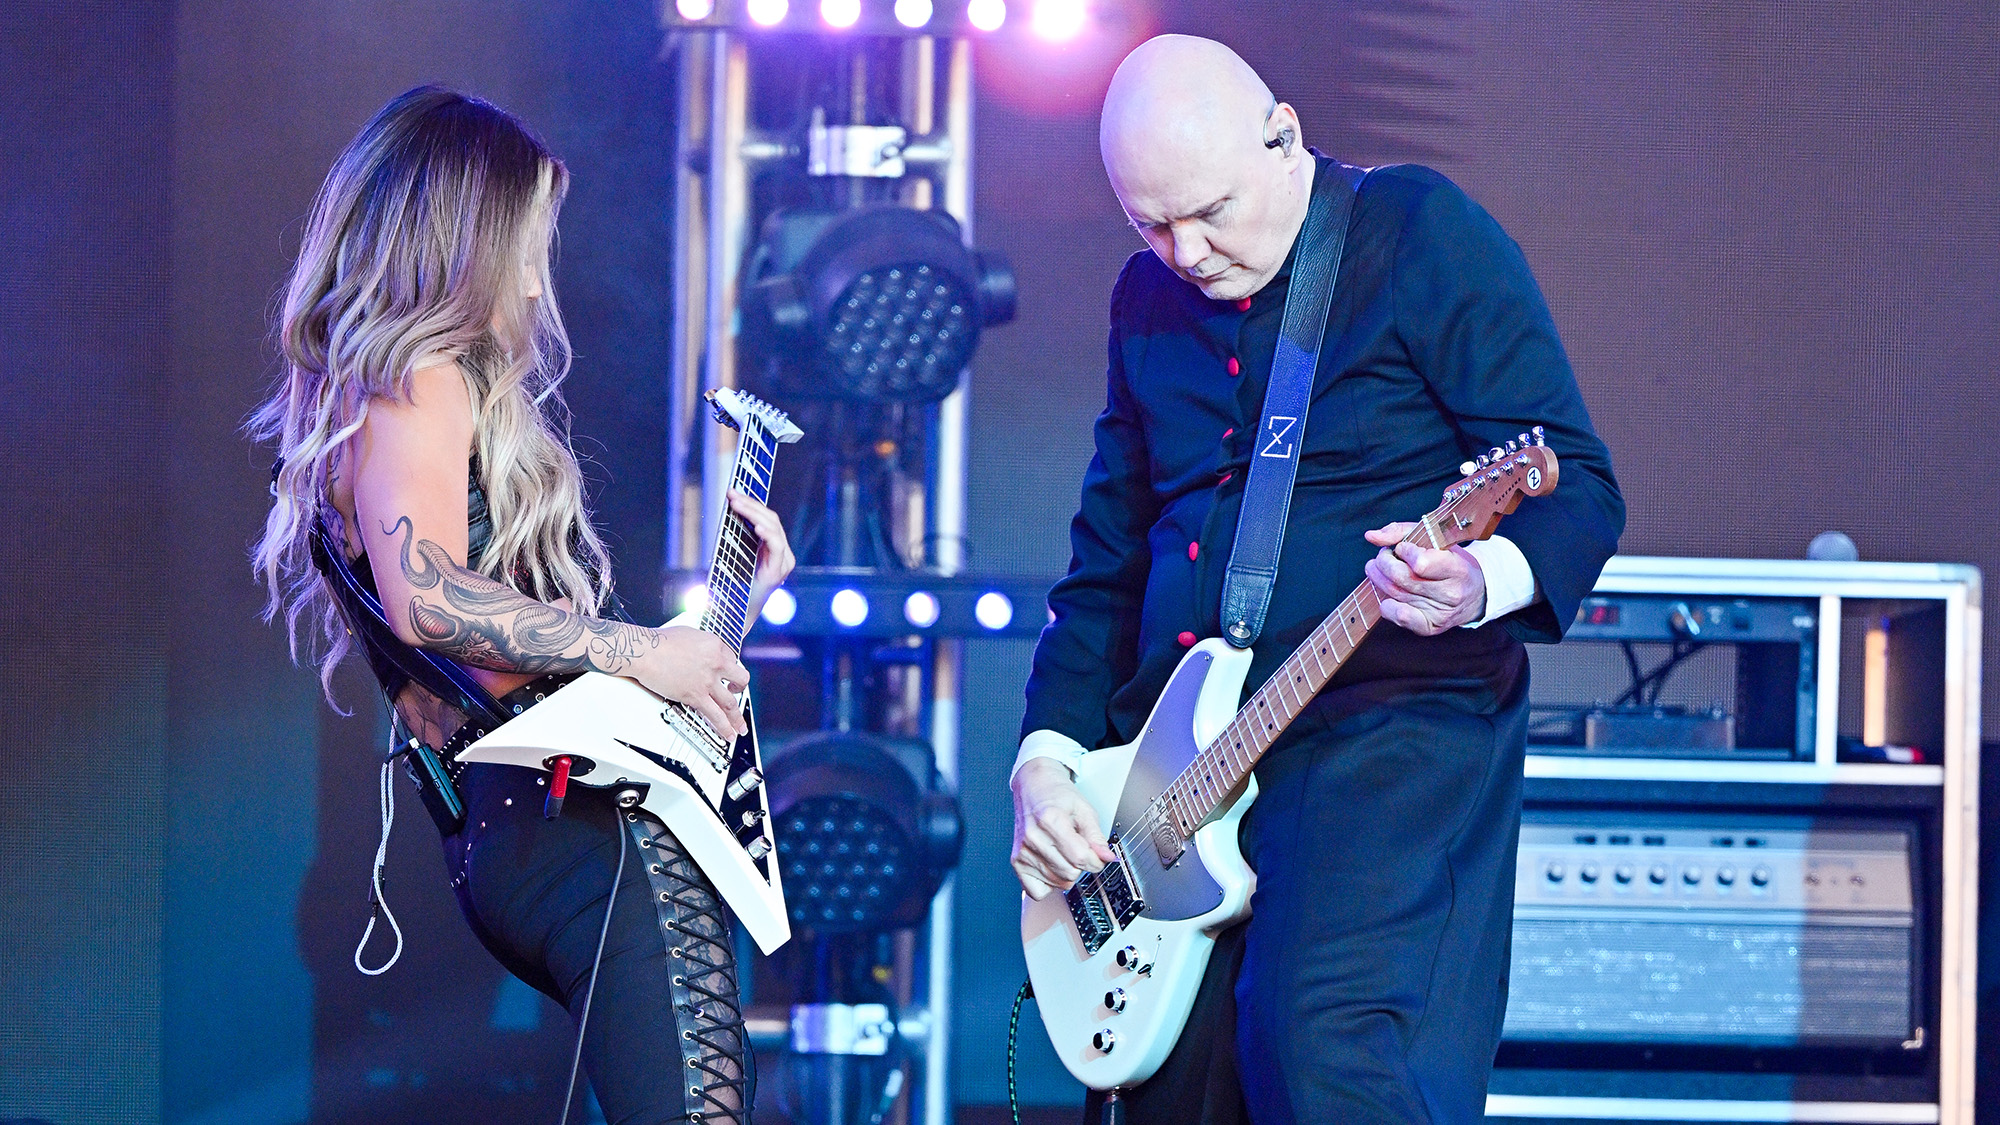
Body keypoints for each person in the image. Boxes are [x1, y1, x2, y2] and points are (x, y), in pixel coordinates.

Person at [1010, 36, 1625, 1124]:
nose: (1184, 251)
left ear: (1281, 134)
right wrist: (1047, 767)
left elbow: (1571, 480)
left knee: (1321, 1048)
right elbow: (1105, 559)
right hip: (1169, 773)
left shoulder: (1415, 234)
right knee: (1170, 1094)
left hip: (1380, 728)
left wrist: (1475, 579)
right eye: (1147, 225)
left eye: (1206, 211)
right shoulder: (1144, 301)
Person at [251, 86, 793, 1124]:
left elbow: (524, 667)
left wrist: (727, 614)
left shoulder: (364, 391)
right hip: (580, 836)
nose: (541, 281)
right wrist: (641, 653)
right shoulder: (420, 370)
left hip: (523, 835)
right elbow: (428, 595)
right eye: (528, 246)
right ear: (467, 242)